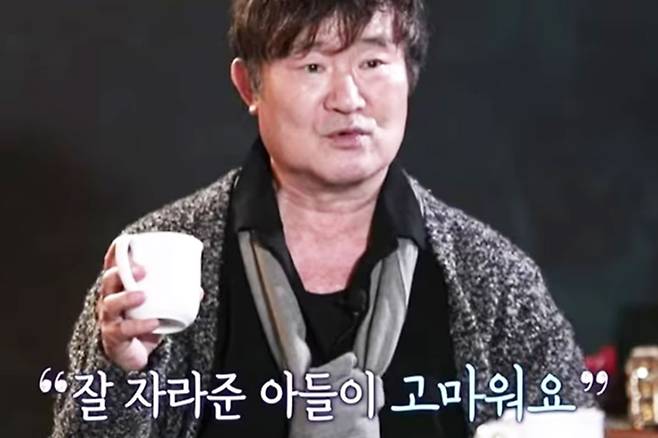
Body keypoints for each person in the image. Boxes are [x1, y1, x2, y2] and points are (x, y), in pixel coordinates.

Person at [51, 1, 595, 437]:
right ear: (249, 86)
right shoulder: (153, 263)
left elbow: (569, 422)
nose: (348, 98)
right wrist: (119, 372)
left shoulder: (495, 281)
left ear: (409, 73)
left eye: (372, 63)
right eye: (313, 65)